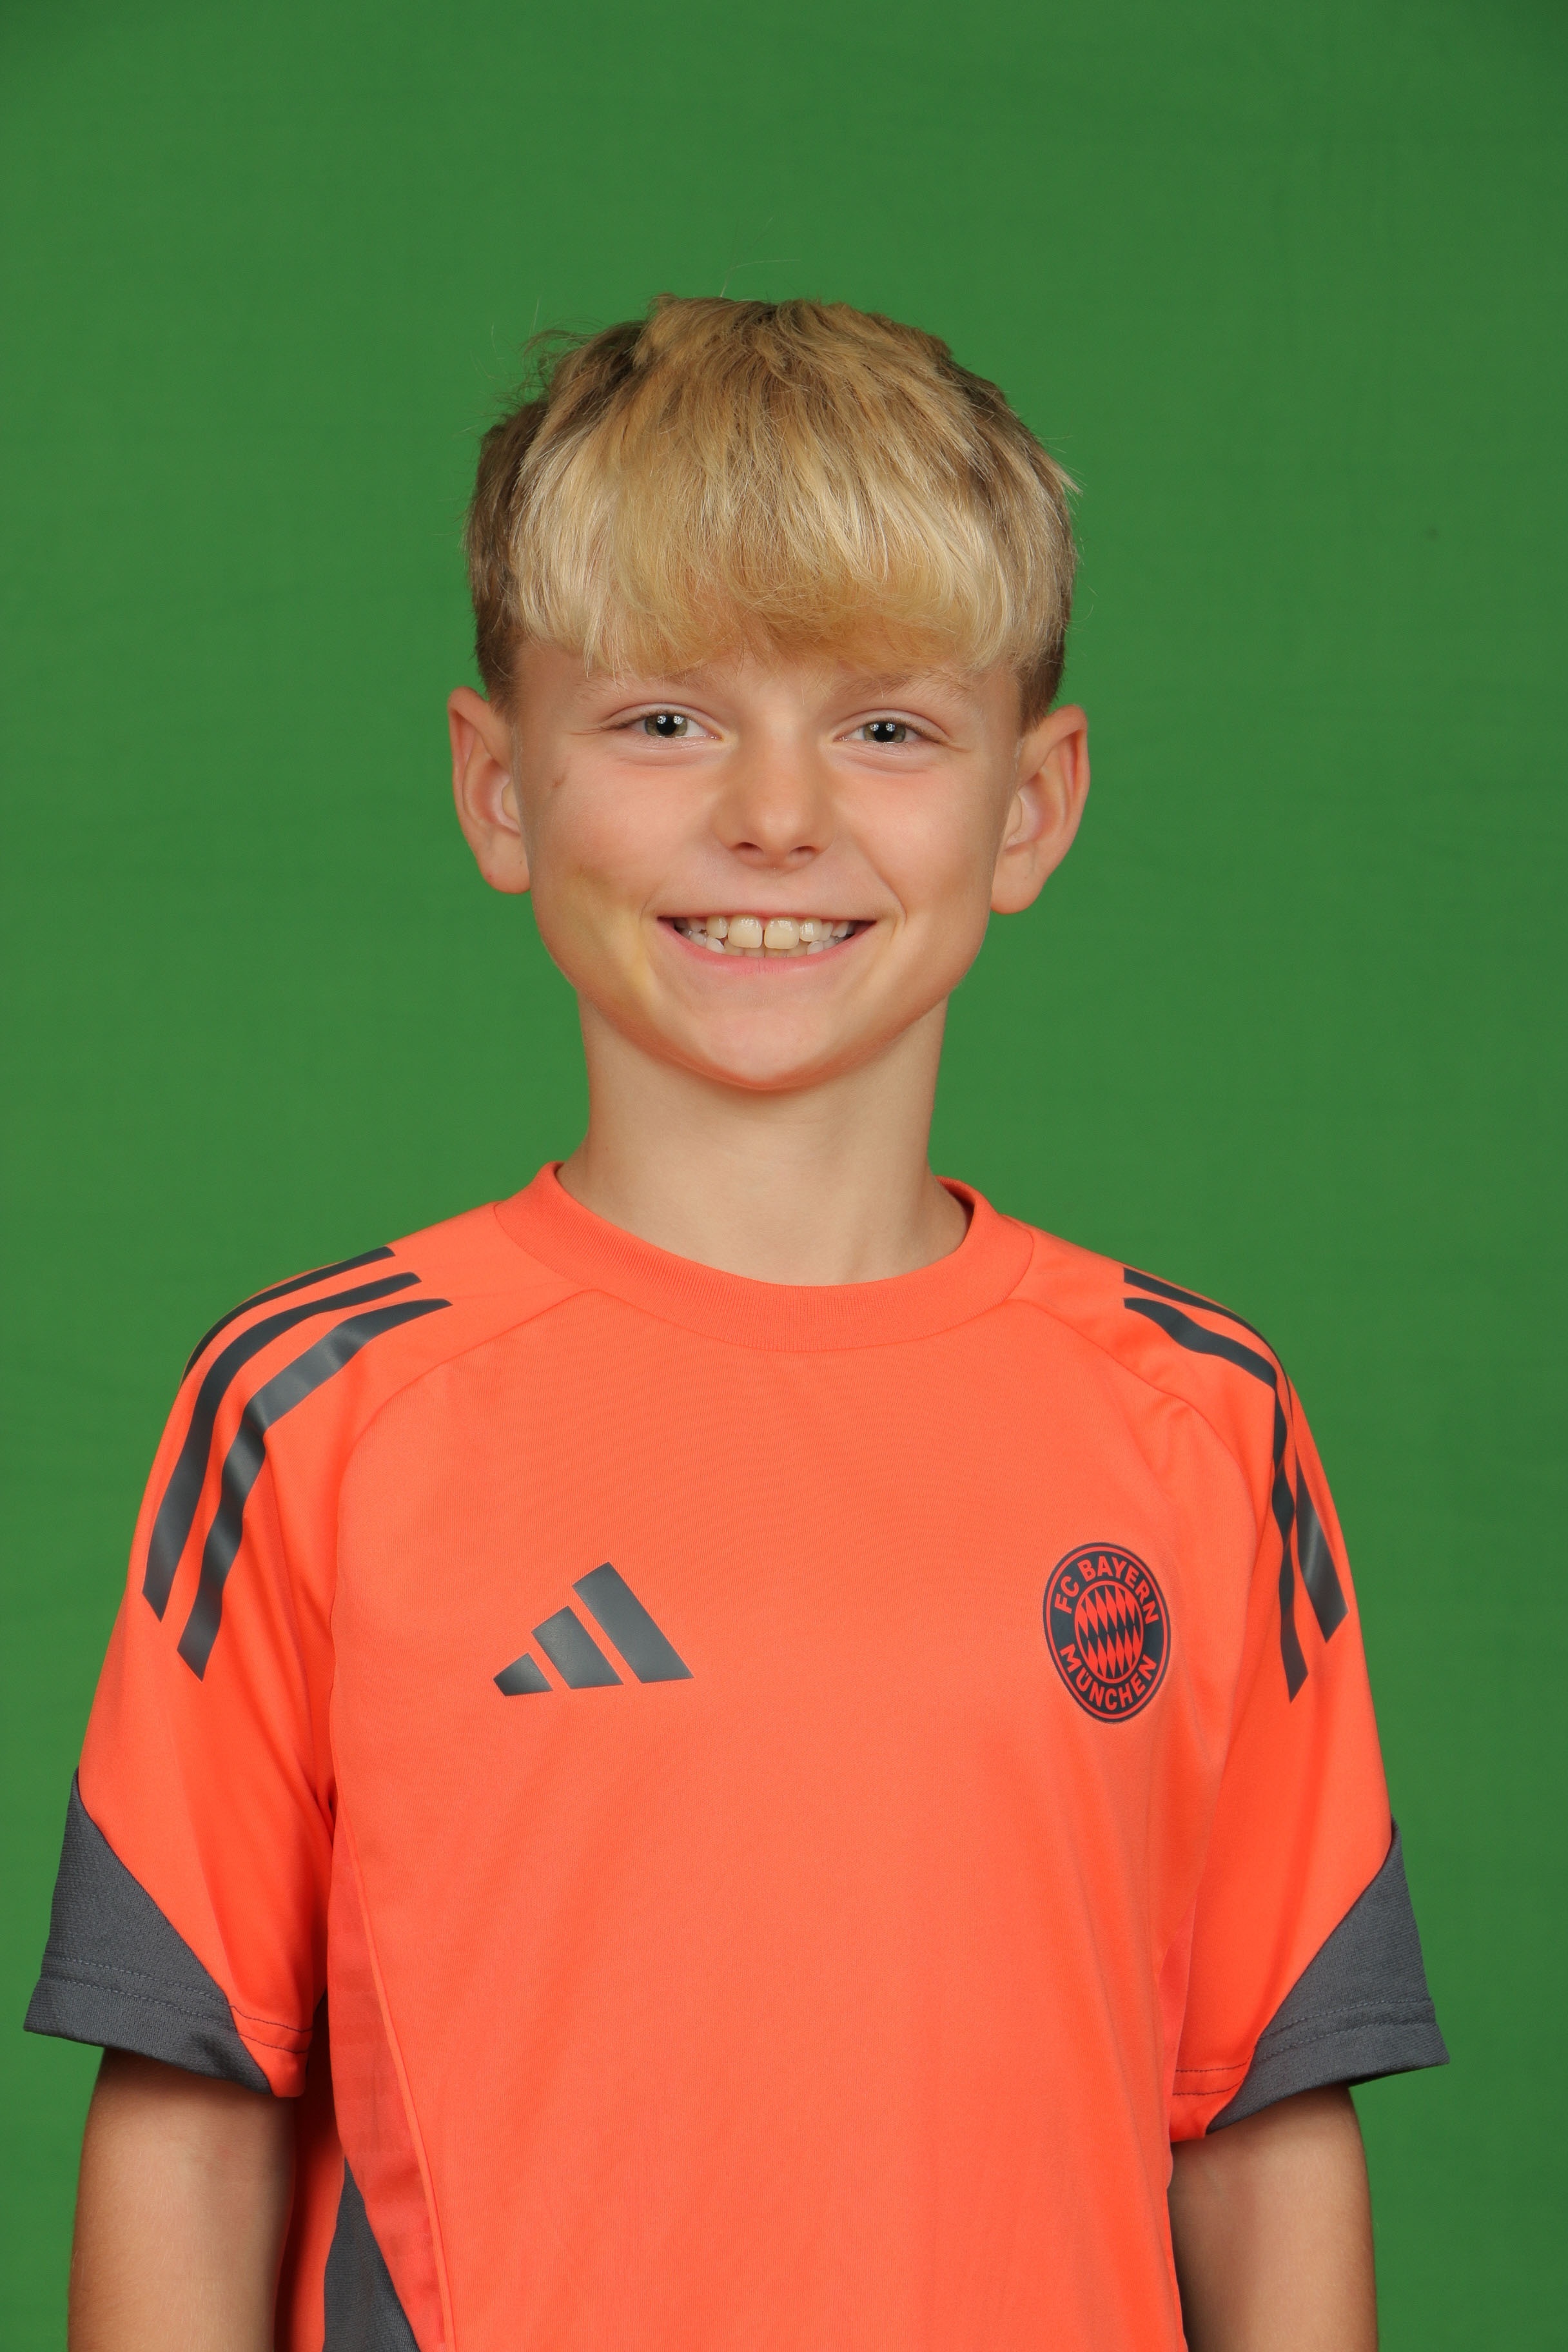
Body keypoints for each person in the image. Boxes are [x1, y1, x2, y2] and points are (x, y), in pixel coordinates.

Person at [27, 295, 1446, 2352]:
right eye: (666, 720)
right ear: (496, 786)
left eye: (887, 728)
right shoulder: (315, 1412)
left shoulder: (1200, 1422)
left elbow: (1258, 2118)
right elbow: (193, 2108)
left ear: (1031, 806)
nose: (777, 814)